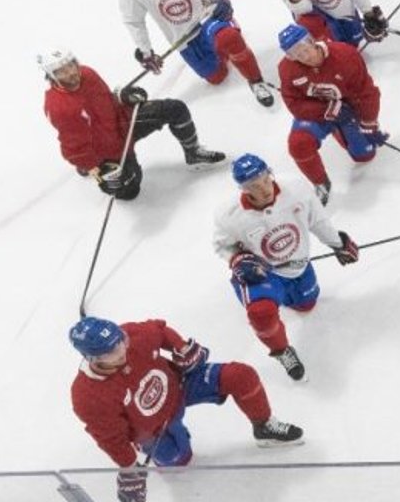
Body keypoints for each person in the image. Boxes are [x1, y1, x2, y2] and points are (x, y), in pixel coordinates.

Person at [69, 316, 303, 502]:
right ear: (91, 358)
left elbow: (160, 330)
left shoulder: (132, 334)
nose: (121, 350)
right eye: (111, 352)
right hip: (155, 429)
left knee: (241, 375)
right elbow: (111, 437)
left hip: (180, 385)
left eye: (121, 340)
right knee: (179, 461)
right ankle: (165, 449)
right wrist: (129, 468)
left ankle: (264, 426)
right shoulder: (88, 396)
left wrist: (181, 348)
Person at [213, 154, 360, 382]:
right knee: (261, 313)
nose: (264, 189)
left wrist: (338, 243)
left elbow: (318, 220)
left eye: (264, 179)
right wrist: (237, 260)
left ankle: (284, 298)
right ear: (244, 189)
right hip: (263, 274)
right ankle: (282, 351)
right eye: (254, 186)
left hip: (298, 267)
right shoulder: (229, 216)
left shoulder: (297, 190)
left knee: (306, 305)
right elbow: (222, 245)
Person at [40, 48, 224, 201]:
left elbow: (105, 99)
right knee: (130, 192)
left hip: (123, 121)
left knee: (175, 109)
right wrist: (97, 168)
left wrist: (122, 97)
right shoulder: (61, 107)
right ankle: (88, 169)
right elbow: (73, 148)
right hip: (109, 150)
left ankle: (194, 154)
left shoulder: (87, 73)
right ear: (51, 76)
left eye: (71, 65)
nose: (71, 72)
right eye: (61, 71)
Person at [119, 0, 273, 107]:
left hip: (205, 19)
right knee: (217, 77)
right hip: (183, 38)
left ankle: (256, 81)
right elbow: (134, 21)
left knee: (228, 38)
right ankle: (222, 49)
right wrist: (145, 51)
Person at [275, 24, 387, 206]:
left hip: (350, 109)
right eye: (297, 55)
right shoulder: (287, 69)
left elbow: (368, 92)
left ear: (312, 41)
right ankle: (320, 182)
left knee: (364, 156)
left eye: (305, 49)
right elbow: (294, 103)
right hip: (319, 113)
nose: (305, 57)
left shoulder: (345, 55)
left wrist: (369, 124)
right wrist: (328, 111)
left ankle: (342, 131)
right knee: (298, 144)